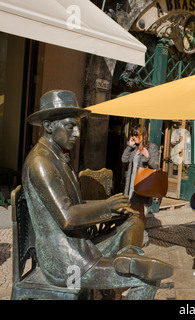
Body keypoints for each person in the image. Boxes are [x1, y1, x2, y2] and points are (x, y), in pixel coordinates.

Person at [22, 90, 172, 299]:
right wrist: (106, 208)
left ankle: (129, 254)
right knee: (147, 278)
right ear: (48, 126)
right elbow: (68, 217)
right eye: (70, 126)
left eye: (77, 126)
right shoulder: (41, 162)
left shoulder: (56, 156)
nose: (77, 133)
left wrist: (112, 210)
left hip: (80, 246)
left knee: (133, 219)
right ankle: (128, 260)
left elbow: (75, 204)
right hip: (66, 263)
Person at [121, 125, 159, 225]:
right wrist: (129, 147)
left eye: (136, 135)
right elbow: (124, 160)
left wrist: (148, 157)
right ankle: (140, 234)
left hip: (142, 184)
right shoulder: (134, 148)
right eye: (133, 135)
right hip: (130, 184)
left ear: (144, 135)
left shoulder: (151, 147)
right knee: (137, 210)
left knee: (135, 210)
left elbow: (156, 166)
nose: (134, 137)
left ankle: (138, 233)